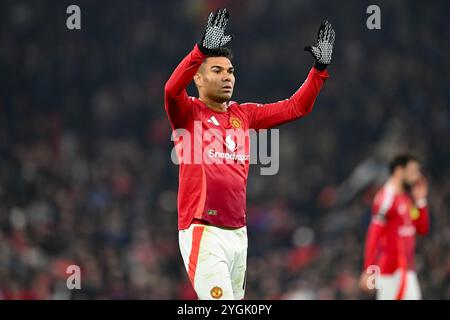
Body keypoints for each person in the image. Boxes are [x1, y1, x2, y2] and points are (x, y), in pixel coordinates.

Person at [164, 8, 335, 300]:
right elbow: (170, 90)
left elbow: (297, 107)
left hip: (238, 234)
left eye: (230, 71)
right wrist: (200, 51)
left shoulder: (244, 115)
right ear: (199, 80)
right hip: (203, 231)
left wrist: (319, 70)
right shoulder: (189, 113)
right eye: (216, 71)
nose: (227, 77)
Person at [360, 154, 430, 300]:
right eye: (413, 171)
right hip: (390, 272)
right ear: (399, 171)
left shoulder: (406, 200)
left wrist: (421, 201)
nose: (417, 177)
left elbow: (422, 228)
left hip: (407, 269)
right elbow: (374, 233)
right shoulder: (386, 197)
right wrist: (369, 269)